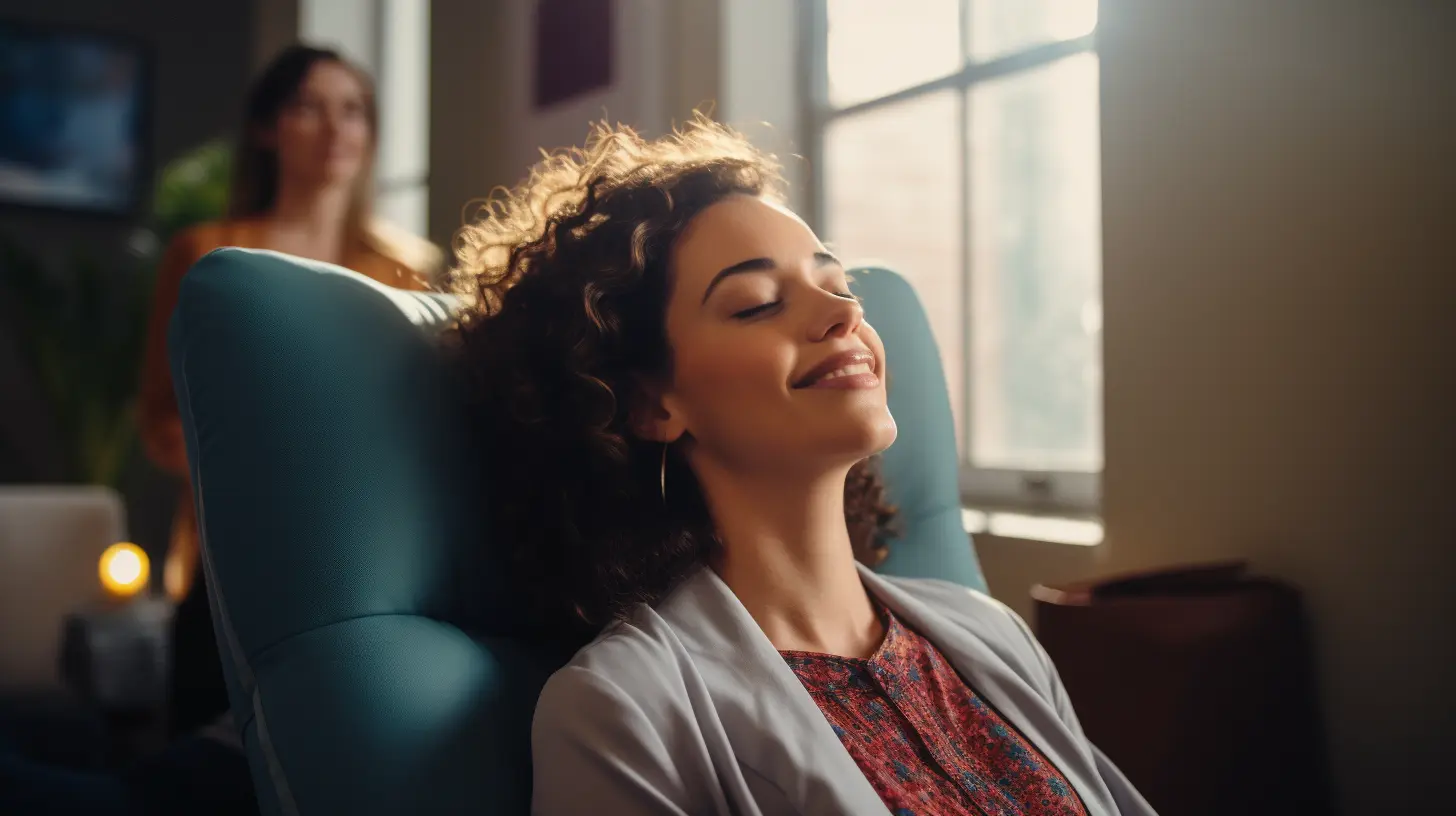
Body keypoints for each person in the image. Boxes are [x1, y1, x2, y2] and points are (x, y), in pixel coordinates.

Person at [446, 118, 1156, 815]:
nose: (841, 313)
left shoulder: (992, 633)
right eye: (757, 304)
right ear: (649, 405)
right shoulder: (620, 711)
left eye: (839, 283)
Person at [139, 43, 439, 741]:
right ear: (267, 128)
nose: (337, 131)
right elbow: (161, 422)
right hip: (227, 569)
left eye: (354, 110)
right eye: (309, 108)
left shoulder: (406, 271)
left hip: (368, 572)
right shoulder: (208, 254)